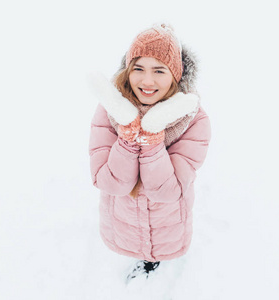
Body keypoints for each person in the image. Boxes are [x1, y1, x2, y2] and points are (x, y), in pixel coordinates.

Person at [88, 24, 211, 281]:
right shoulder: (110, 112)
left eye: (159, 70)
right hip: (123, 217)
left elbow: (167, 190)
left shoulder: (193, 120)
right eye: (139, 68)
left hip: (168, 220)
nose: (147, 81)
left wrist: (153, 140)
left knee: (156, 251)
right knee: (132, 244)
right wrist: (128, 139)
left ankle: (152, 263)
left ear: (175, 75)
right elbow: (109, 183)